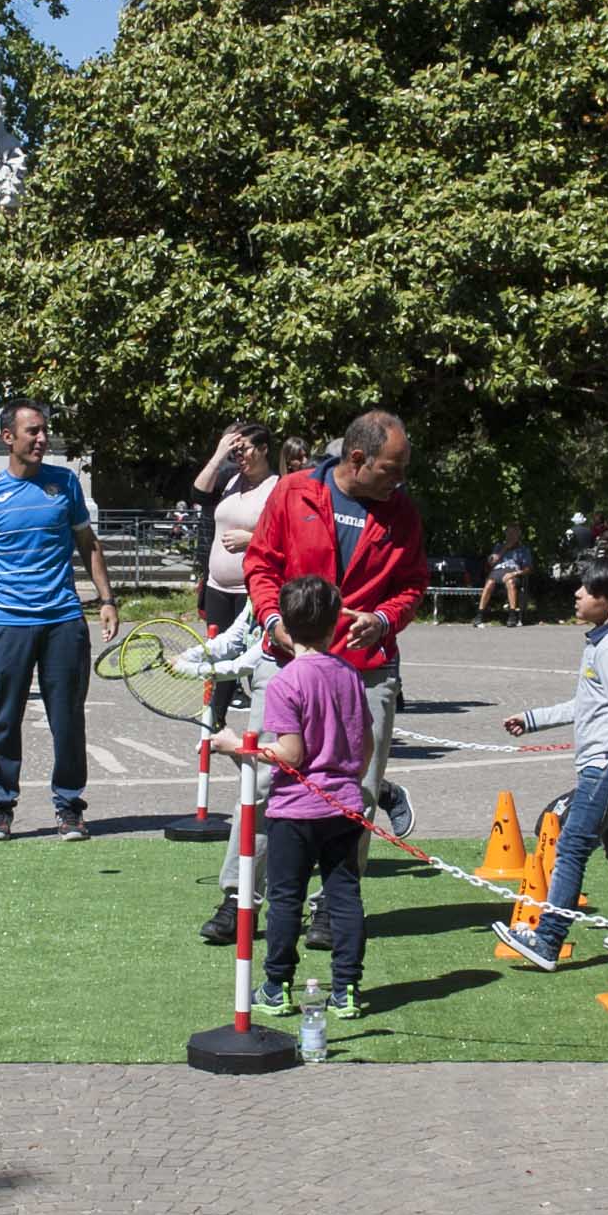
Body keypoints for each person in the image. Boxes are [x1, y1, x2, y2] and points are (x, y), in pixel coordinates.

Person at [243, 409, 425, 842]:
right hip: (287, 661)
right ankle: (240, 898)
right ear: (358, 457)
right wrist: (272, 621)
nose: (398, 480)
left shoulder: (403, 513)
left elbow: (414, 584)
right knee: (266, 785)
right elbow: (261, 565)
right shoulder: (293, 492)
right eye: (390, 470)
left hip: (367, 670)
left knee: (357, 792)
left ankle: (335, 904)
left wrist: (383, 621)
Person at [492, 557, 608, 969]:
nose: (577, 594)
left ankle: (548, 940)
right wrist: (534, 719)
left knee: (571, 848)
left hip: (606, 768)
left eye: (588, 591)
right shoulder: (605, 642)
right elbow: (589, 703)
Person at [0, 398, 117, 839]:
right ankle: (0, 807)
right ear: (9, 438)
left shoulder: (65, 484)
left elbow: (89, 544)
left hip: (63, 619)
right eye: (33, 432)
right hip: (7, 621)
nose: (42, 439)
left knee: (67, 719)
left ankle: (69, 806)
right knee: (2, 718)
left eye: (44, 431)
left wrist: (106, 599)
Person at [238, 575, 374, 1018]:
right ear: (336, 625)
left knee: (285, 898)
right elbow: (365, 744)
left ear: (284, 627)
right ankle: (347, 989)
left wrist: (242, 748)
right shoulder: (349, 674)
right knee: (344, 895)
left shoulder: (285, 682)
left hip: (296, 808)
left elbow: (291, 753)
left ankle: (277, 986)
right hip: (344, 804)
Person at [197, 421, 279, 733]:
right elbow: (198, 492)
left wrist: (253, 538)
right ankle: (214, 722)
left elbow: (287, 534)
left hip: (253, 588)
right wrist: (220, 454)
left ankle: (267, 726)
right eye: (235, 450)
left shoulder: (277, 487)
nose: (239, 456)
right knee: (220, 655)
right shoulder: (230, 480)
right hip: (219, 586)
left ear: (263, 449)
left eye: (243, 449)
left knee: (250, 659)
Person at [476, 522, 536, 623]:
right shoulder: (499, 546)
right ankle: (480, 614)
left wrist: (514, 574)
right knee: (489, 582)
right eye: (509, 533)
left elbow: (528, 569)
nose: (511, 536)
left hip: (513, 572)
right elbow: (491, 562)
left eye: (514, 533)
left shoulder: (524, 550)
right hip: (498, 571)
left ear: (518, 535)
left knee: (510, 582)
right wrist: (505, 548)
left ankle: (512, 615)